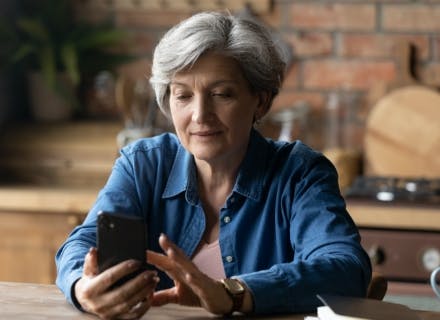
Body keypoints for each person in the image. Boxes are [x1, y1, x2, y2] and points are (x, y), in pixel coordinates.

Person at [56, 11, 372, 319]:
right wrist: (82, 286)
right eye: (183, 96)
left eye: (221, 94)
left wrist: (234, 293)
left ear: (260, 101)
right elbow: (82, 245)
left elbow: (345, 268)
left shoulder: (300, 172)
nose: (200, 115)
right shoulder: (142, 164)